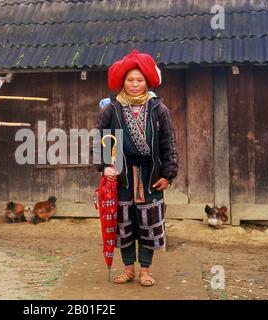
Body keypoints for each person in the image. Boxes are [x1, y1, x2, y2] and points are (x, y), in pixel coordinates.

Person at [95, 50, 179, 286]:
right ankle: (128, 269)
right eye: (130, 80)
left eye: (139, 80)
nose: (134, 84)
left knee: (148, 223)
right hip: (121, 175)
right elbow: (100, 138)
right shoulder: (112, 109)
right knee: (124, 222)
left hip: (149, 174)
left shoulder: (158, 109)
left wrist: (168, 175)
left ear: (147, 82)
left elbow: (168, 143)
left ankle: (145, 270)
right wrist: (104, 166)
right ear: (122, 82)